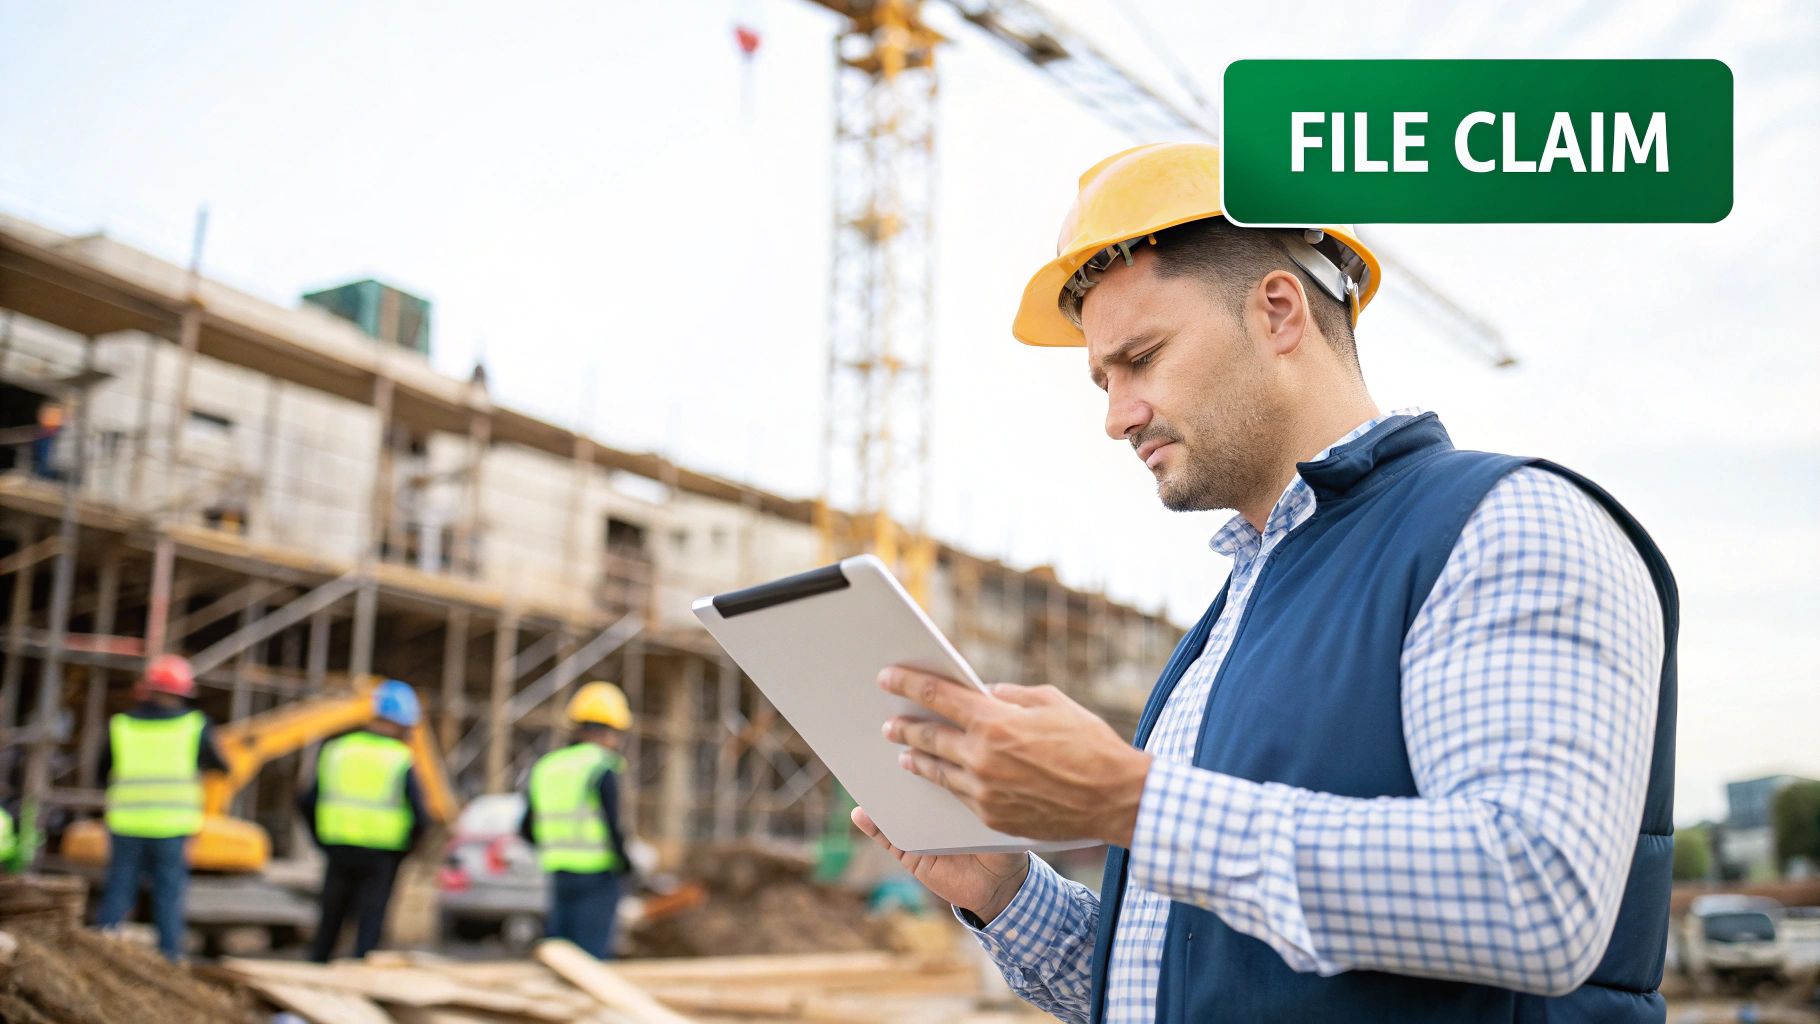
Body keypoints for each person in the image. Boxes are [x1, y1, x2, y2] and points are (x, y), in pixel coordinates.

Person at [852, 142, 1677, 1022]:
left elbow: (1537, 895)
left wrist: (1123, 798)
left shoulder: (1504, 525)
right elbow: (1188, 983)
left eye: (1141, 358)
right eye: (1102, 378)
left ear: (1279, 311)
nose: (1115, 416)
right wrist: (1005, 892)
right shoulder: (1231, 624)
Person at [94, 654, 228, 962]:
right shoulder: (194, 725)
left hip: (126, 823)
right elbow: (221, 766)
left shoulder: (121, 725)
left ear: (148, 689)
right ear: (182, 691)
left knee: (118, 892)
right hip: (172, 826)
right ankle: (170, 960)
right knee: (168, 898)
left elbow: (102, 773)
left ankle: (99, 955)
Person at [299, 679, 428, 962]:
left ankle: (317, 970)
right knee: (369, 927)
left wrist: (322, 839)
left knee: (330, 920)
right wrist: (406, 849)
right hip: (382, 854)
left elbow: (307, 801)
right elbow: (421, 814)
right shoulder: (399, 757)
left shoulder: (337, 750)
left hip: (338, 848)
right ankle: (362, 973)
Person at [519, 681, 634, 958]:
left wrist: (553, 848)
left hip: (558, 871)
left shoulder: (547, 766)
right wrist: (627, 865)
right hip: (597, 874)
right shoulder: (601, 767)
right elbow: (613, 826)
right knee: (591, 958)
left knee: (560, 953)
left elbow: (525, 828)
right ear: (611, 730)